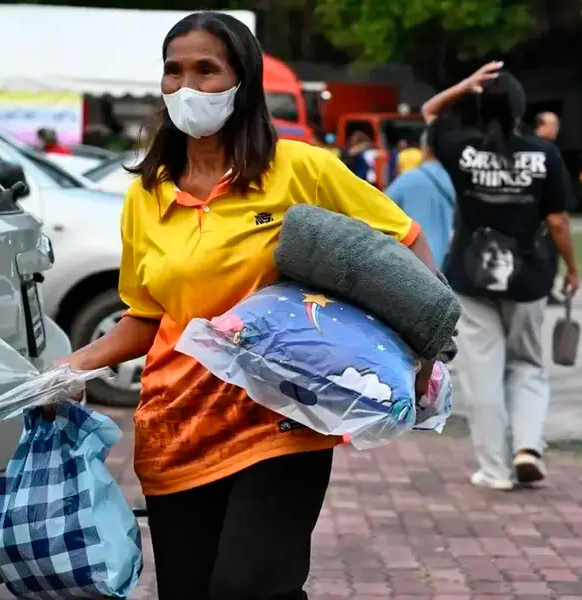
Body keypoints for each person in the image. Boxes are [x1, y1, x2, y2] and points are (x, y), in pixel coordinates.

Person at [58, 12, 437, 599]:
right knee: (190, 590)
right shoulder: (147, 194)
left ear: (244, 81)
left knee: (250, 586)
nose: (188, 86)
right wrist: (73, 366)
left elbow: (406, 241)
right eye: (174, 71)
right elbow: (144, 318)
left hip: (282, 416)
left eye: (207, 70)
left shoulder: (301, 168)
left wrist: (419, 346)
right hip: (176, 423)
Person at [422, 61, 580, 489]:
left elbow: (429, 113)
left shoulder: (462, 149)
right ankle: (528, 447)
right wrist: (573, 267)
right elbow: (559, 221)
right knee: (527, 364)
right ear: (520, 108)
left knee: (482, 372)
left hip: (470, 276)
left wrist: (463, 85)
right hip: (529, 278)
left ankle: (494, 469)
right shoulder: (544, 154)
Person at [385, 130, 456, 268]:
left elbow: (380, 211)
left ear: (425, 149)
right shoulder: (461, 181)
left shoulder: (407, 180)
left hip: (420, 265)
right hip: (455, 264)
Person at [534, 111, 566, 305]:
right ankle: (543, 288)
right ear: (540, 126)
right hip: (541, 215)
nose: (555, 129)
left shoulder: (552, 149)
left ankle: (549, 288)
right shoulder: (539, 150)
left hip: (552, 210)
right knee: (544, 252)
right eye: (551, 124)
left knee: (552, 252)